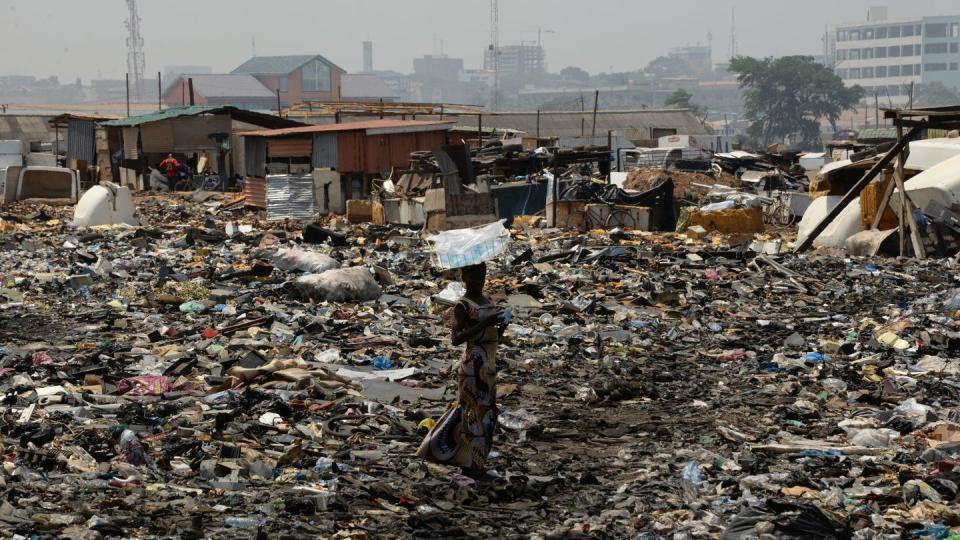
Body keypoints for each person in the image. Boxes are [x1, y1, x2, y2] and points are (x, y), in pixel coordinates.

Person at [417, 263, 506, 481]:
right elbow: (456, 338)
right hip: (472, 367)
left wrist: (501, 325)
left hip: (489, 365)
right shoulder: (462, 305)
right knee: (471, 415)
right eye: (474, 277)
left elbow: (494, 336)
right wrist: (484, 323)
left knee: (487, 415)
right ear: (464, 277)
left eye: (482, 276)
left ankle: (478, 463)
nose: (479, 281)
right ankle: (468, 465)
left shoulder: (488, 301)